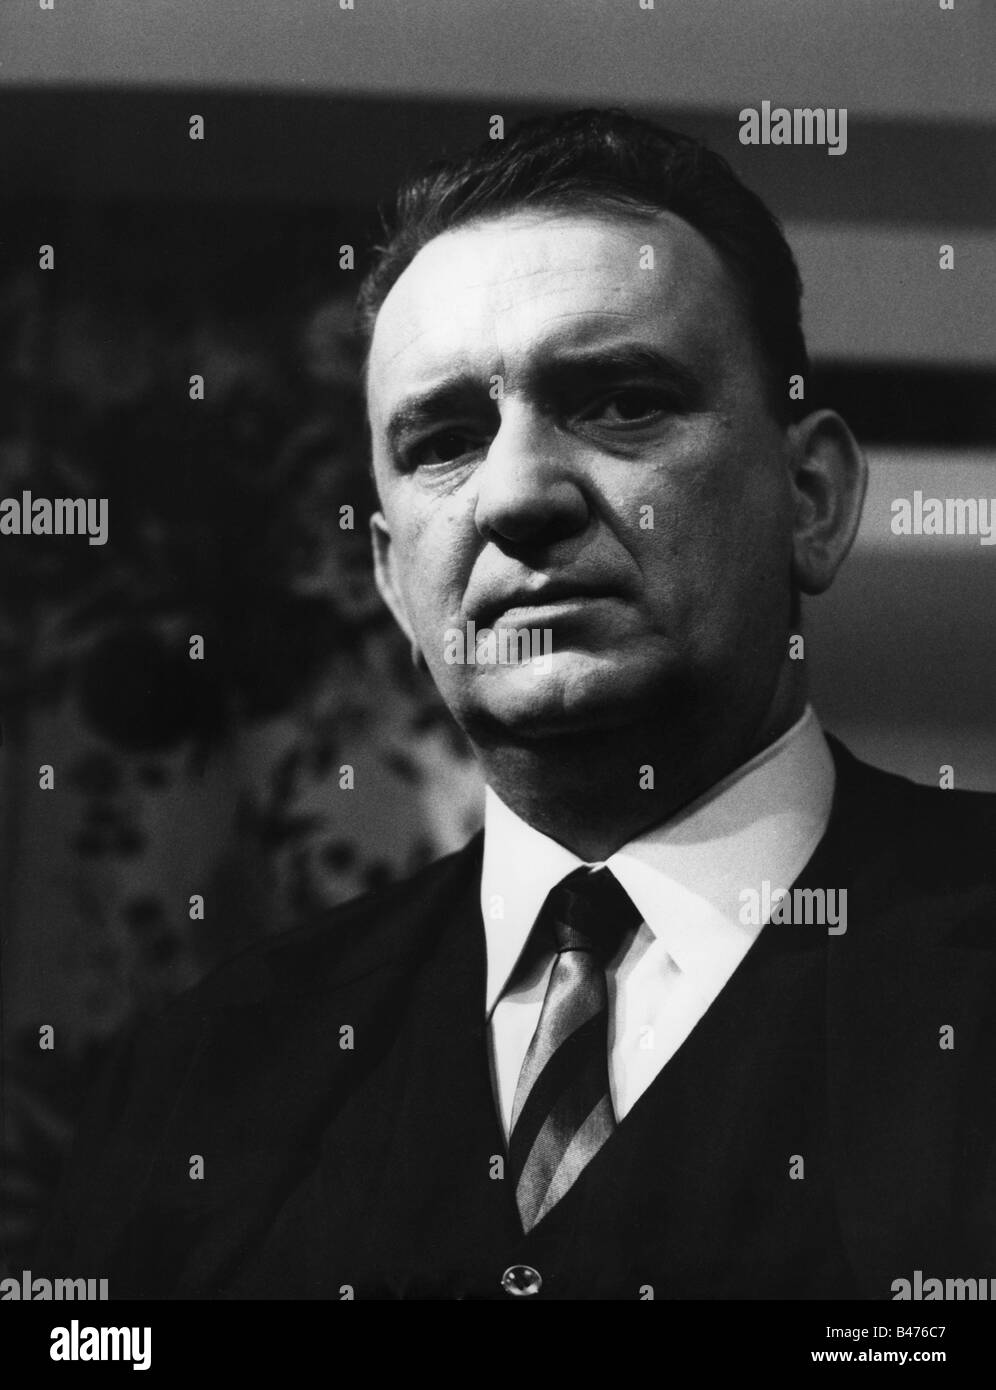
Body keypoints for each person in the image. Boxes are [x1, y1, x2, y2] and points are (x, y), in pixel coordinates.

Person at [36, 108, 996, 1300]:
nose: (517, 495)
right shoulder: (197, 1074)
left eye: (621, 402)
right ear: (394, 579)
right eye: (445, 438)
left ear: (810, 498)